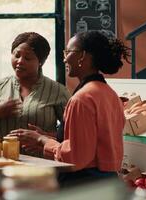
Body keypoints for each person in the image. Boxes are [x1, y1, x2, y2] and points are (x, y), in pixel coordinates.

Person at [10, 30, 130, 186]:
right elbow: (92, 145)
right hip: (107, 183)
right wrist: (51, 138)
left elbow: (74, 158)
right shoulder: (110, 94)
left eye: (68, 52)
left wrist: (42, 140)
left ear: (82, 56)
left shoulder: (81, 99)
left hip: (84, 184)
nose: (65, 59)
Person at [0, 32, 71, 139]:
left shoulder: (58, 91)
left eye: (27, 58)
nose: (20, 61)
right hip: (1, 155)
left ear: (41, 62)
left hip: (40, 156)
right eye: (16, 55)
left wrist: (44, 136)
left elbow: (73, 132)